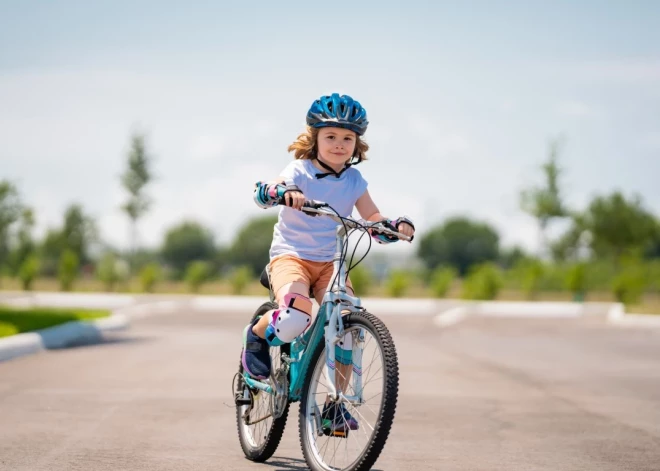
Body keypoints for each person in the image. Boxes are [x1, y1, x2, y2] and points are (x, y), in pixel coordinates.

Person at [242, 93, 415, 434]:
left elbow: (372, 217)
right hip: (291, 256)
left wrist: (391, 227)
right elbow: (269, 190)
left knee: (348, 328)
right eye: (331, 137)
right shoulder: (299, 170)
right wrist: (280, 193)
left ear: (357, 144)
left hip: (329, 262)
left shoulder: (354, 181)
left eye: (347, 138)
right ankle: (257, 336)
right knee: (294, 318)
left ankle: (334, 406)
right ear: (315, 138)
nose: (339, 144)